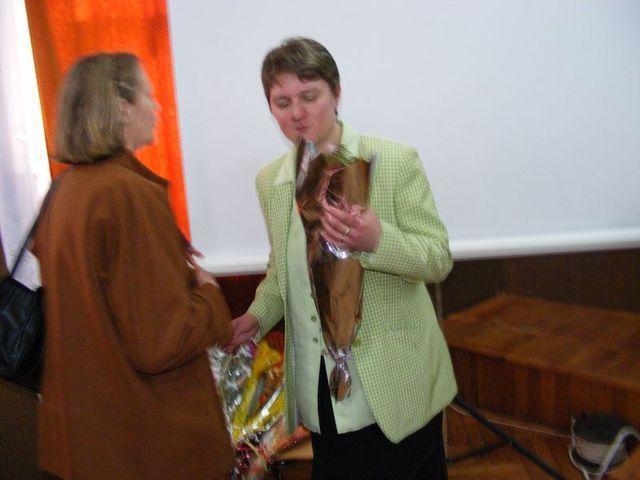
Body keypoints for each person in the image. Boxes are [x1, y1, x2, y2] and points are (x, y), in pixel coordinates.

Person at [230, 37, 457, 479]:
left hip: (396, 386)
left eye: (309, 96)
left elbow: (436, 259)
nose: (297, 113)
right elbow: (282, 272)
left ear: (336, 92)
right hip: (322, 392)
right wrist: (256, 317)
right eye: (282, 102)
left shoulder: (393, 161)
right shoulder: (272, 181)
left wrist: (378, 240)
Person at [33, 53, 234, 479]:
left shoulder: (65, 191)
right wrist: (209, 293)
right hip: (147, 443)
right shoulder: (127, 195)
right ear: (122, 108)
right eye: (149, 94)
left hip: (90, 441)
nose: (157, 107)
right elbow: (162, 340)